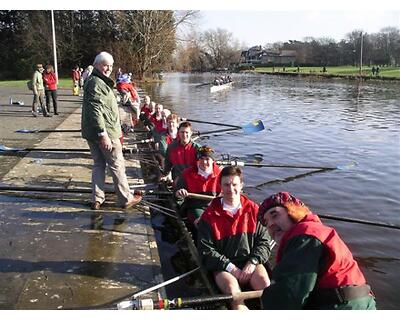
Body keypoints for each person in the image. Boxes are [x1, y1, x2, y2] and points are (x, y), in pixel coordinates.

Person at [258, 191, 377, 310]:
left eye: (275, 215)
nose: (271, 224)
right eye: (266, 222)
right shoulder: (316, 230)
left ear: (293, 212)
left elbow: (288, 296)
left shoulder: (304, 235)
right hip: (360, 303)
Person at [197, 165, 272, 310]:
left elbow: (264, 242)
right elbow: (206, 251)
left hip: (250, 261)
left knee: (266, 285)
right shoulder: (209, 215)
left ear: (241, 185)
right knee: (234, 293)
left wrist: (253, 261)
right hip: (223, 267)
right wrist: (232, 268)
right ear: (220, 186)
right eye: (226, 184)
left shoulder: (254, 210)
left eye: (234, 184)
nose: (230, 189)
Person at [81, 51, 142, 210]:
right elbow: (95, 110)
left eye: (110, 66)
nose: (108, 69)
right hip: (105, 132)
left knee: (99, 164)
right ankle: (125, 198)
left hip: (93, 132)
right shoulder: (96, 82)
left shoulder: (94, 80)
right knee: (117, 165)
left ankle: (97, 198)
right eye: (105, 65)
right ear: (96, 65)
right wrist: (103, 135)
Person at [175, 145, 221, 232]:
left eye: (207, 159)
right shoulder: (187, 174)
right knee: (203, 224)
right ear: (197, 160)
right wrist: (179, 194)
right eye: (201, 159)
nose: (204, 162)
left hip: (214, 207)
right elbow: (176, 196)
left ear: (213, 161)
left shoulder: (221, 175)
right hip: (195, 206)